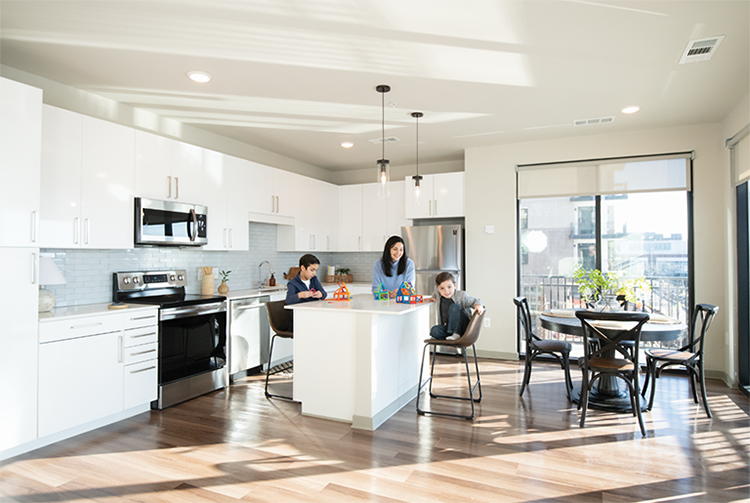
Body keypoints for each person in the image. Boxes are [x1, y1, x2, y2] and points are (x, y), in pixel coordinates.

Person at [426, 272, 484, 341]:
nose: (446, 291)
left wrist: (478, 306)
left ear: (455, 285)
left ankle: (457, 334)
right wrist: (432, 298)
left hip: (463, 327)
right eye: (442, 288)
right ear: (438, 289)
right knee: (434, 330)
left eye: (449, 287)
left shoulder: (461, 295)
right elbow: (435, 294)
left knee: (454, 306)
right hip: (449, 328)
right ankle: (451, 335)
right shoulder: (438, 295)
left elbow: (476, 300)